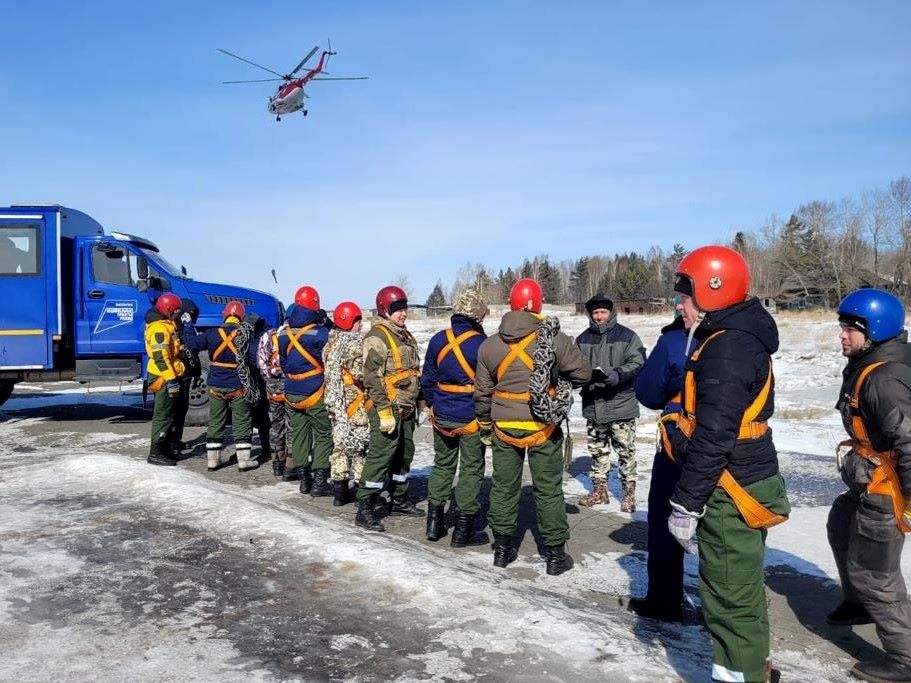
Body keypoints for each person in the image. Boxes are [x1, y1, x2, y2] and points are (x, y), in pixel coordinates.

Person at [662, 245, 789, 683]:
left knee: (729, 595)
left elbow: (716, 437)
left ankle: (741, 674)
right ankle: (756, 668)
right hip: (738, 477)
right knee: (739, 590)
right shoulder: (730, 337)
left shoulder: (727, 348)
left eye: (686, 294)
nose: (680, 304)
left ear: (714, 291)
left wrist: (686, 503)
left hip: (729, 486)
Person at [474, 278, 591, 574]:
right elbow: (583, 374)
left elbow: (482, 393)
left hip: (503, 426)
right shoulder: (555, 340)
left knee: (503, 487)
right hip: (542, 427)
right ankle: (554, 556)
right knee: (548, 490)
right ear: (535, 305)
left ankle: (501, 550)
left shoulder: (489, 346)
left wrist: (486, 425)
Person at [827, 287, 911, 683]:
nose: (842, 335)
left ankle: (905, 657)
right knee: (840, 522)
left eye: (851, 328)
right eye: (842, 326)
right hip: (869, 479)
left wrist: (908, 500)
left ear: (875, 331)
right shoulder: (871, 364)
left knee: (875, 573)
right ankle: (858, 603)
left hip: (887, 487)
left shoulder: (885, 380)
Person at [627, 298, 690, 622]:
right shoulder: (746, 340)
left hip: (680, 443)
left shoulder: (674, 342)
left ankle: (664, 600)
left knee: (665, 517)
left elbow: (649, 392)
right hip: (737, 446)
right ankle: (734, 615)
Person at [421, 288, 490, 546]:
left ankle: (434, 524)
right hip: (471, 418)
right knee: (471, 470)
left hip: (442, 415)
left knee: (442, 466)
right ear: (477, 315)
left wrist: (431, 404)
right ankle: (464, 531)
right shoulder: (482, 344)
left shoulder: (438, 340)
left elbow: (427, 378)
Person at [354, 285, 424, 532]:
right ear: (385, 310)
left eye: (404, 308)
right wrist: (383, 409)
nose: (403, 313)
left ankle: (399, 498)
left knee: (405, 454)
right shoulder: (377, 337)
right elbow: (372, 377)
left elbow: (414, 371)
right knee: (382, 454)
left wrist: (421, 401)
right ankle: (365, 506)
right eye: (397, 309)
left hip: (406, 406)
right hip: (388, 406)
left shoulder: (405, 335)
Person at [575, 293, 646, 512]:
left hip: (620, 403)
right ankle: (599, 491)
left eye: (603, 312)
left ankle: (629, 495)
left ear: (611, 312)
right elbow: (574, 365)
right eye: (595, 313)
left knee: (626, 451)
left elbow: (638, 361)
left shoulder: (628, 336)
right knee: (598, 451)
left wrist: (619, 374)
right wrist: (580, 378)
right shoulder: (582, 339)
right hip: (593, 404)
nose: (599, 317)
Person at [278, 286, 334, 497]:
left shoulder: (283, 333)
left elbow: (283, 362)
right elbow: (329, 361)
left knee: (299, 435)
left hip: (291, 392)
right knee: (322, 434)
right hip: (315, 391)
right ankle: (320, 482)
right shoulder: (320, 333)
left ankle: (304, 480)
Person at [322, 301, 369, 506]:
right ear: (351, 321)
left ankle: (339, 493)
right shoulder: (353, 343)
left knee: (339, 446)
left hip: (335, 403)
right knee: (360, 446)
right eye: (358, 321)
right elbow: (361, 372)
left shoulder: (329, 343)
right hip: (354, 402)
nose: (360, 325)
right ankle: (360, 489)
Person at [203, 300, 257, 471]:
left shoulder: (212, 333)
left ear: (225, 315)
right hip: (238, 385)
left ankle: (213, 460)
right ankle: (243, 461)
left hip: (215, 385)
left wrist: (188, 326)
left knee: (215, 420)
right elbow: (253, 358)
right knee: (241, 421)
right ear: (241, 317)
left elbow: (192, 343)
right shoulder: (245, 335)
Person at [144, 293, 186, 466]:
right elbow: (161, 358)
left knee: (171, 415)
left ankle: (166, 449)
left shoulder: (168, 325)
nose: (177, 314)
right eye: (175, 311)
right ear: (167, 310)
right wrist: (171, 380)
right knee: (163, 414)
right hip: (163, 377)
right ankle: (155, 453)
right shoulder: (160, 329)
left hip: (170, 374)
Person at [257, 306, 293, 478]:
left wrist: (270, 380)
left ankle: (276, 463)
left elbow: (261, 363)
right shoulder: (297, 335)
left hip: (273, 386)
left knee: (276, 424)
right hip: (294, 386)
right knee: (293, 425)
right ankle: (290, 466)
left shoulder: (268, 335)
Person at [171, 298, 201, 456]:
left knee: (182, 408)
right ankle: (172, 443)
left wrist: (196, 373)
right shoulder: (175, 328)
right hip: (177, 374)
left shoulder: (188, 328)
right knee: (175, 409)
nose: (191, 317)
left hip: (186, 374)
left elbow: (193, 352)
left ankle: (177, 440)